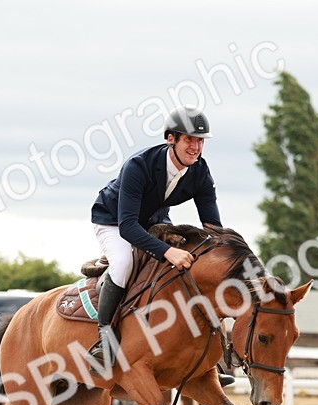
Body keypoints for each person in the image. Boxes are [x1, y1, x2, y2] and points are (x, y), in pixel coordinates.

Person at [88, 106, 222, 374]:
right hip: (114, 221)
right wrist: (168, 252)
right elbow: (128, 227)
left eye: (200, 141)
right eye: (189, 139)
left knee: (189, 266)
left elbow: (213, 227)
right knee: (124, 262)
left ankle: (207, 355)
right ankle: (104, 340)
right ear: (171, 138)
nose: (195, 147)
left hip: (154, 221)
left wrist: (221, 256)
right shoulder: (139, 165)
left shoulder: (200, 171)